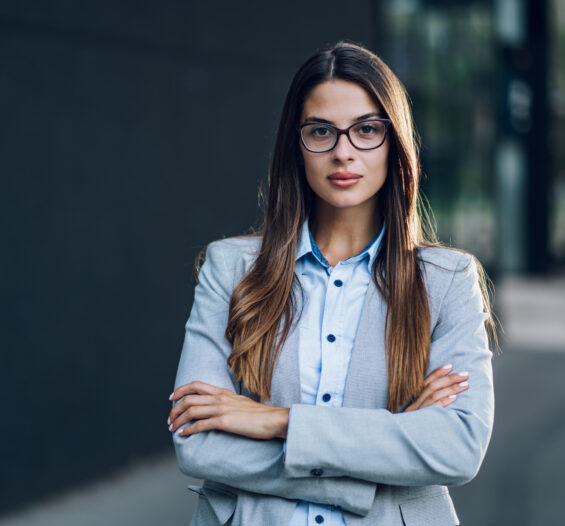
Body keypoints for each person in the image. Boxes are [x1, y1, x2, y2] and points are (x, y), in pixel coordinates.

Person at [168, 41, 495, 526]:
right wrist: (394, 441)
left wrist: (276, 421)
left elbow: (458, 447)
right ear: (295, 146)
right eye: (321, 131)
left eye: (366, 130)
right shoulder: (230, 269)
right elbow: (198, 443)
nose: (344, 152)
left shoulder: (447, 282)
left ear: (394, 143)